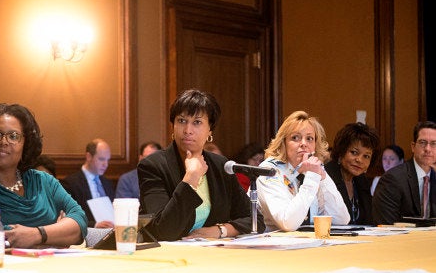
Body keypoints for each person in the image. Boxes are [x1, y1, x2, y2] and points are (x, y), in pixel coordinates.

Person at [0, 103, 87, 252]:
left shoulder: (44, 181)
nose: (3, 142)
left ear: (26, 143)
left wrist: (38, 235)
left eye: (13, 136)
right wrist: (57, 236)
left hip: (48, 269)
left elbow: (80, 222)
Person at [138, 89, 264, 241]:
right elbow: (163, 231)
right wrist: (190, 179)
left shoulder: (220, 166)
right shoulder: (153, 166)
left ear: (210, 129)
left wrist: (220, 230)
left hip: (212, 253)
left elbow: (256, 220)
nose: (187, 130)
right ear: (173, 126)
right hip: (169, 256)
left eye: (197, 122)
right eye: (181, 121)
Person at [255, 111, 350, 232]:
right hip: (271, 247)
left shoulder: (313, 169)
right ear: (283, 143)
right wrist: (312, 179)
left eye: (309, 139)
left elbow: (341, 220)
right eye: (295, 138)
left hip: (305, 245)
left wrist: (323, 177)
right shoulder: (269, 171)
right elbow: (288, 223)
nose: (304, 144)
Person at [372, 121, 436, 224]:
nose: (428, 149)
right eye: (423, 142)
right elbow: (385, 225)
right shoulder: (392, 179)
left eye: (434, 144)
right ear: (413, 146)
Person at [325, 123, 380, 225]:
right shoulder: (326, 176)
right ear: (342, 151)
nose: (359, 160)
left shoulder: (361, 180)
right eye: (354, 152)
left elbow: (369, 220)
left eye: (366, 156)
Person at [61, 138, 116, 228]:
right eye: (102, 159)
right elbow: (68, 217)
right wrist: (94, 225)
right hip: (86, 235)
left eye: (108, 160)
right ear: (89, 157)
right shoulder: (70, 183)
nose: (106, 164)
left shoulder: (107, 183)